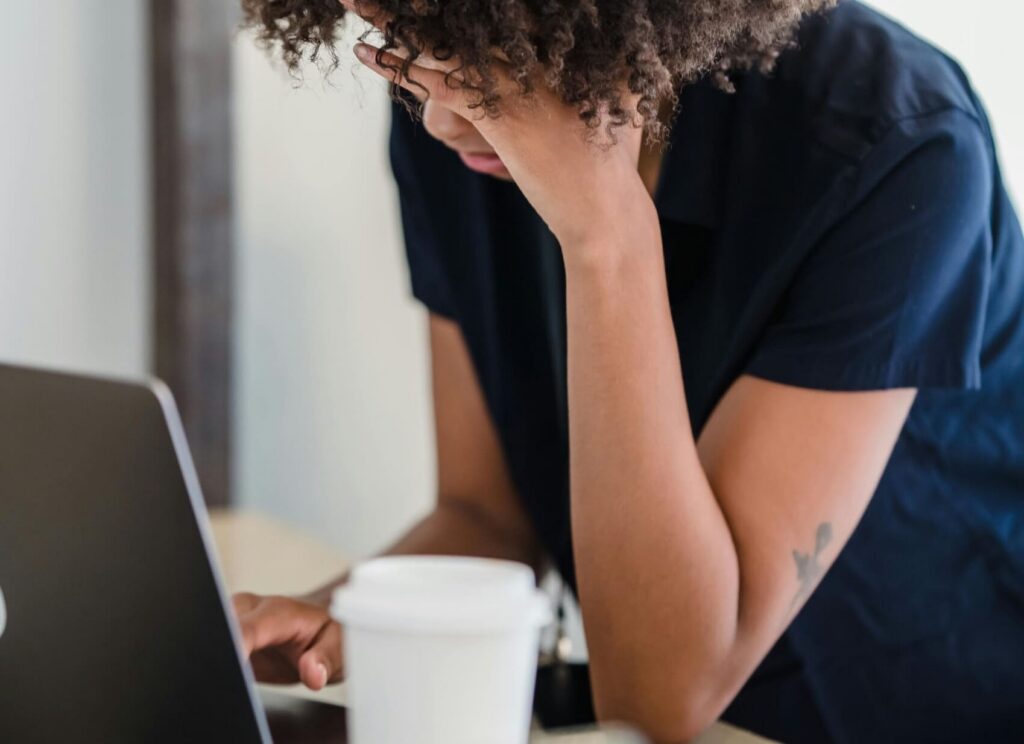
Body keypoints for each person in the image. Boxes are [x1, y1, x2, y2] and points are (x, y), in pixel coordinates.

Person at [233, 0, 1024, 741]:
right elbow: (486, 515)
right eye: (409, 45)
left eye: (478, 63)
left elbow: (659, 696)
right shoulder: (463, 102)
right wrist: (342, 620)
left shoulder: (900, 144)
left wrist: (605, 234)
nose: (440, 115)